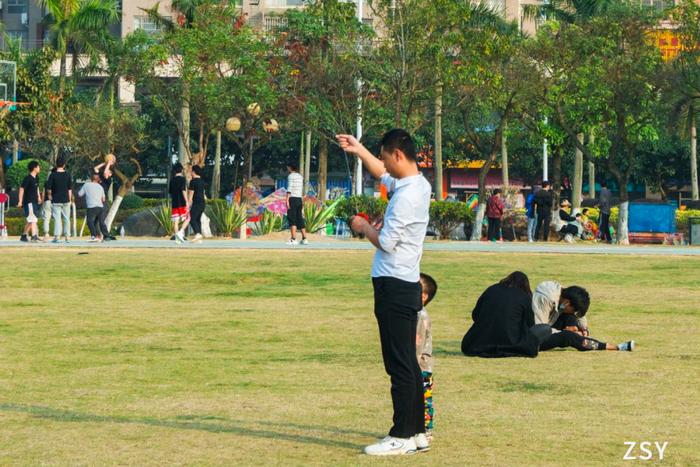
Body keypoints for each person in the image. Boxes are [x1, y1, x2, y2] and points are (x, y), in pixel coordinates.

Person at [337, 129, 431, 456]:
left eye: (387, 157)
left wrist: (363, 227)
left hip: (393, 285)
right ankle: (417, 431)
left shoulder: (407, 197)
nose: (385, 164)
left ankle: (401, 434)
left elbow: (388, 243)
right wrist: (358, 149)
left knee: (398, 363)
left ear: (398, 155)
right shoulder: (415, 184)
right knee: (408, 361)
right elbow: (381, 173)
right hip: (403, 284)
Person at [532, 281, 634, 352]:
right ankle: (614, 347)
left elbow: (578, 315)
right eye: (574, 310)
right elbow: (540, 329)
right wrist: (568, 333)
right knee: (568, 336)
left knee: (570, 317)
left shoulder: (564, 294)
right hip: (533, 337)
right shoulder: (545, 298)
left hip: (548, 322)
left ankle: (579, 336)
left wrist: (584, 329)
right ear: (567, 302)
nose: (574, 313)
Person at [461, 271, 540, 358]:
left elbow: (475, 315)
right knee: (544, 330)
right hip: (512, 343)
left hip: (481, 342)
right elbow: (530, 324)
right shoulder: (524, 297)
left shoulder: (491, 289)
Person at [416, 273, 437, 446]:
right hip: (418, 365)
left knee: (424, 400)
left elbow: (418, 344)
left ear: (423, 296)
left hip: (421, 366)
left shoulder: (420, 316)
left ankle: (426, 431)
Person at [46, 157, 73, 243]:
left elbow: (49, 188)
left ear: (56, 164)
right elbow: (69, 189)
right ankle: (67, 236)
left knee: (57, 218)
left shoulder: (53, 175)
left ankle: (57, 236)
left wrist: (50, 196)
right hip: (66, 199)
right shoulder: (68, 175)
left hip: (56, 199)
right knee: (66, 218)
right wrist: (70, 199)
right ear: (64, 165)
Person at [17, 160, 42, 243]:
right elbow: (21, 189)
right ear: (34, 168)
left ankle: (24, 236)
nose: (39, 168)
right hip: (29, 202)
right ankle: (34, 236)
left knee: (31, 220)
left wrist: (39, 197)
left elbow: (37, 188)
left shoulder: (36, 178)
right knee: (33, 219)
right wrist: (20, 201)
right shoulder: (28, 178)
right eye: (38, 166)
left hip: (35, 201)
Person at [78, 173, 108, 242]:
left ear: (91, 178)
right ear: (98, 179)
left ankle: (94, 236)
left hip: (91, 207)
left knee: (90, 222)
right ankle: (106, 235)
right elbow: (103, 199)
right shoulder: (100, 187)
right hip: (100, 207)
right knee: (101, 222)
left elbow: (80, 194)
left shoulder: (86, 185)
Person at [94, 155, 117, 241]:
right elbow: (96, 168)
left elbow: (105, 173)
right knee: (94, 220)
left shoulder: (108, 180)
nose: (107, 172)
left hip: (103, 201)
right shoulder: (100, 177)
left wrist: (109, 164)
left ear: (110, 174)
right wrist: (105, 163)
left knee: (101, 219)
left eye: (109, 172)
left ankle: (106, 235)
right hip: (96, 200)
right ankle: (98, 235)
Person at [285, 163, 308, 245]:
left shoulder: (291, 176)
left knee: (292, 218)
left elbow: (290, 187)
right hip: (299, 199)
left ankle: (293, 239)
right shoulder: (300, 176)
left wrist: (287, 200)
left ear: (290, 167)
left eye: (287, 167)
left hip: (293, 199)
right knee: (299, 218)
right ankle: (304, 238)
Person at [169, 162, 190, 243]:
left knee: (176, 221)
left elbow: (170, 192)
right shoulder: (182, 179)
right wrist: (187, 201)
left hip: (174, 203)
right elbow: (183, 190)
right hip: (182, 202)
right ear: (181, 170)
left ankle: (177, 236)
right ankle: (181, 232)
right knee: (188, 218)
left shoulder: (172, 180)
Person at [188, 165, 206, 244]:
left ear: (194, 172)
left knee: (192, 219)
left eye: (191, 171)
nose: (191, 172)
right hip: (202, 203)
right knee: (198, 219)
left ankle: (198, 234)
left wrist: (188, 204)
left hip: (196, 203)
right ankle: (199, 237)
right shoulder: (202, 181)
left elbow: (191, 194)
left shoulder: (193, 181)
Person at [41, 167, 55, 242]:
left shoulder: (47, 182)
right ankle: (57, 234)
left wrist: (42, 203)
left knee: (46, 218)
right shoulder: (59, 181)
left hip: (47, 202)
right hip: (56, 201)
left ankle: (46, 234)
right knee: (57, 218)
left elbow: (43, 193)